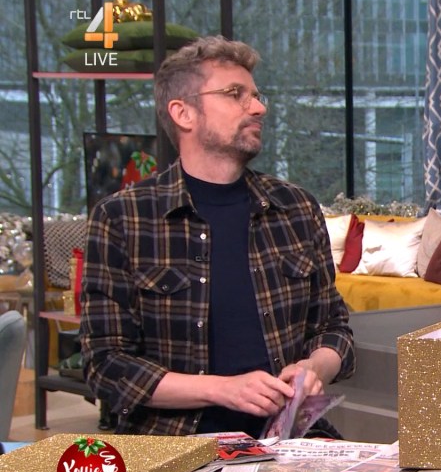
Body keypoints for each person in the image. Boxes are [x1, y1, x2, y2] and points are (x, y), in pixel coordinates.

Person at [81, 36, 354, 437]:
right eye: (235, 94)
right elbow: (106, 365)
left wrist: (314, 368)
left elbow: (334, 328)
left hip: (290, 440)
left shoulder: (296, 208)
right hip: (175, 444)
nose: (258, 107)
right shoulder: (123, 217)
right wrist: (222, 389)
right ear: (183, 113)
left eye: (256, 96)